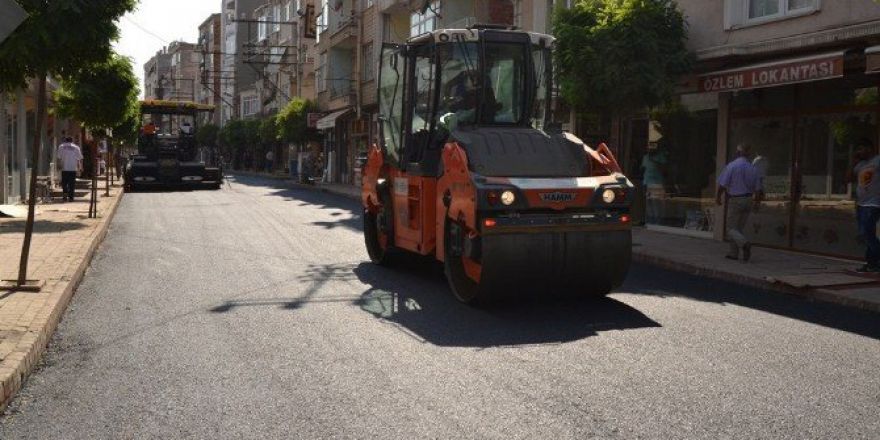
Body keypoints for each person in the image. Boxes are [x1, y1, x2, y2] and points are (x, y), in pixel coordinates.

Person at [716, 143, 763, 262]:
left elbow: (722, 184)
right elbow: (758, 189)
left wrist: (718, 197)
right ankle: (733, 253)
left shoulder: (732, 166)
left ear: (737, 153)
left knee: (730, 228)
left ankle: (745, 244)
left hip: (736, 199)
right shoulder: (753, 168)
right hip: (748, 199)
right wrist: (757, 203)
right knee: (738, 228)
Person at [850, 139, 880, 272]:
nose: (859, 152)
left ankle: (875, 261)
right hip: (861, 203)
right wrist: (852, 162)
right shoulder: (860, 164)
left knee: (866, 232)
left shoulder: (878, 160)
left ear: (869, 148)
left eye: (861, 149)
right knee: (867, 235)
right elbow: (848, 179)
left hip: (873, 203)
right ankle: (872, 264)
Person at [641, 143, 668, 224]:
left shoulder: (660, 156)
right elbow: (643, 169)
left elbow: (665, 169)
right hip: (647, 183)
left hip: (657, 183)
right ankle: (650, 220)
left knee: (658, 203)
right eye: (649, 148)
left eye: (652, 148)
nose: (650, 149)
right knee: (649, 203)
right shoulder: (645, 157)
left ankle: (658, 221)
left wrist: (654, 161)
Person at [56, 137, 83, 202]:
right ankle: (71, 197)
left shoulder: (61, 146)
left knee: (64, 183)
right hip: (73, 168)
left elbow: (59, 157)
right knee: (72, 184)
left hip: (64, 168)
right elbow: (80, 158)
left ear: (65, 140)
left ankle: (65, 194)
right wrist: (80, 167)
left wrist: (58, 165)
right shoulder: (76, 147)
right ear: (72, 141)